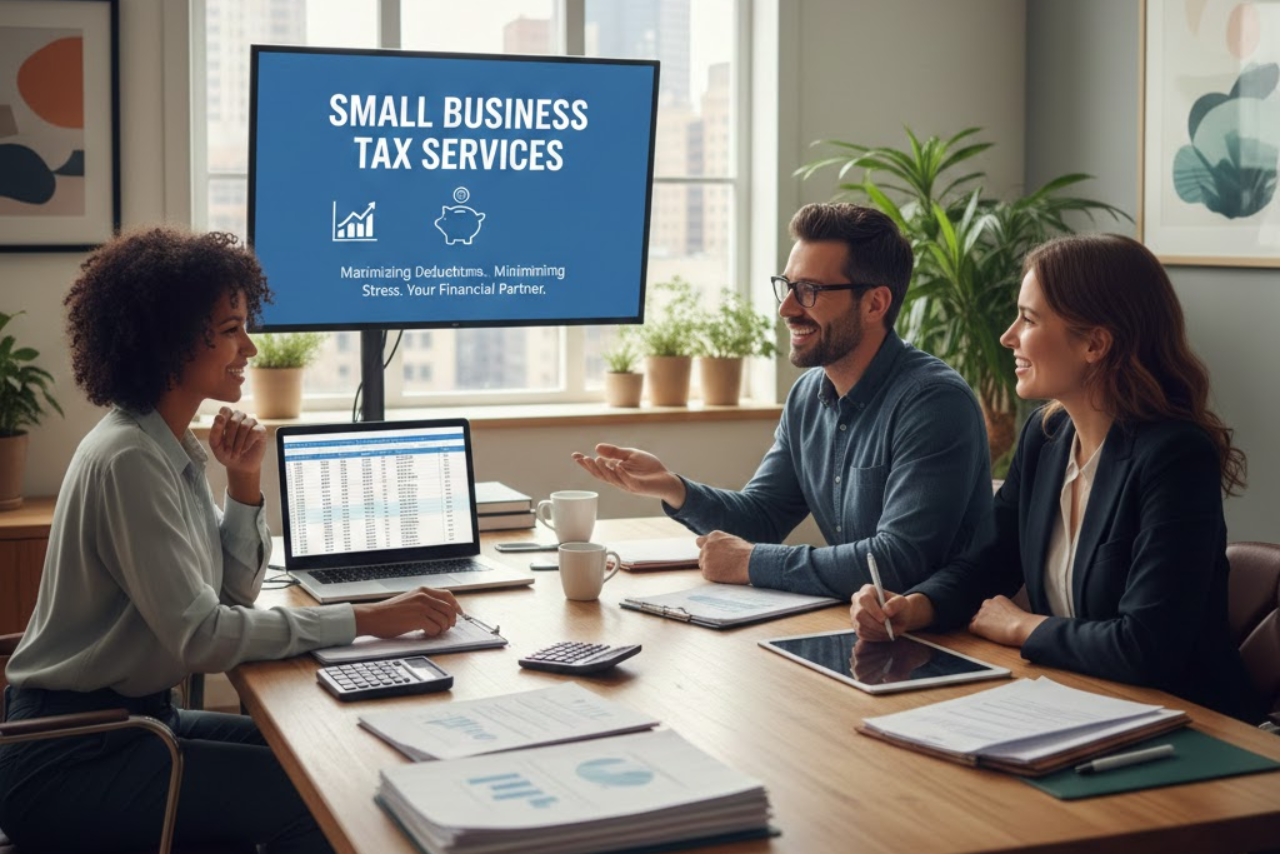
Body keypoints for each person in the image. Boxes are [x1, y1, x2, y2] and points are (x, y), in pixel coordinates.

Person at [0, 228, 463, 853]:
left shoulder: (167, 445)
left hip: (130, 725)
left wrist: (243, 481)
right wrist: (366, 619)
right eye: (230, 329)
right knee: (319, 797)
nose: (248, 346)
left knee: (323, 760)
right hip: (70, 754)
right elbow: (203, 637)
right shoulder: (131, 458)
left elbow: (231, 596)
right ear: (170, 339)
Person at [850, 233, 1264, 722]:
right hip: (1077, 703)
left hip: (1191, 724)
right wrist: (914, 606)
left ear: (1095, 343)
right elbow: (987, 563)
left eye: (1028, 319)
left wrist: (1022, 627)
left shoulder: (1175, 457)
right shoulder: (1046, 437)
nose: (1008, 336)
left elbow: (1146, 646)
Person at [573, 203, 992, 599]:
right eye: (787, 287)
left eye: (809, 290)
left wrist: (752, 563)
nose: (787, 308)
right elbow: (762, 518)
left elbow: (898, 563)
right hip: (866, 629)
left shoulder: (933, 403)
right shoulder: (808, 396)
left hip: (944, 640)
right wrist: (675, 488)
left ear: (874, 303)